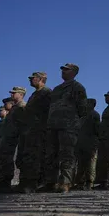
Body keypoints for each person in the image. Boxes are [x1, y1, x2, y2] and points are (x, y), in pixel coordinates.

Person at [42, 63, 87, 193]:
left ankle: (65, 183)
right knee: (51, 155)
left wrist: (75, 125)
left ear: (74, 72)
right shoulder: (56, 89)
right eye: (62, 70)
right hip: (52, 126)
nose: (63, 72)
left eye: (66, 70)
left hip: (68, 127)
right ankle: (51, 182)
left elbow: (83, 109)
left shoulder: (77, 87)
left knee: (67, 155)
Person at [16, 72, 52, 193]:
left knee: (37, 155)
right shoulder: (34, 94)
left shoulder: (46, 92)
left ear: (41, 79)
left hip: (40, 129)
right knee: (29, 156)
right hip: (30, 130)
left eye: (33, 78)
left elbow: (48, 111)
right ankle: (28, 182)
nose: (30, 79)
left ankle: (36, 183)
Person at [0, 86, 27, 193]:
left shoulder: (22, 106)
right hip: (9, 137)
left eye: (14, 93)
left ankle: (7, 183)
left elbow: (23, 123)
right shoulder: (14, 108)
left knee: (9, 159)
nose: (12, 95)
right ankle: (3, 183)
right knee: (4, 158)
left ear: (21, 94)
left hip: (15, 137)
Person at [74, 98, 100, 190]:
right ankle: (80, 182)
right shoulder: (82, 116)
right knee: (81, 163)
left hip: (90, 142)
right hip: (81, 142)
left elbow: (97, 130)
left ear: (92, 104)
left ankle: (89, 182)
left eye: (88, 103)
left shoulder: (94, 115)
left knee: (90, 163)